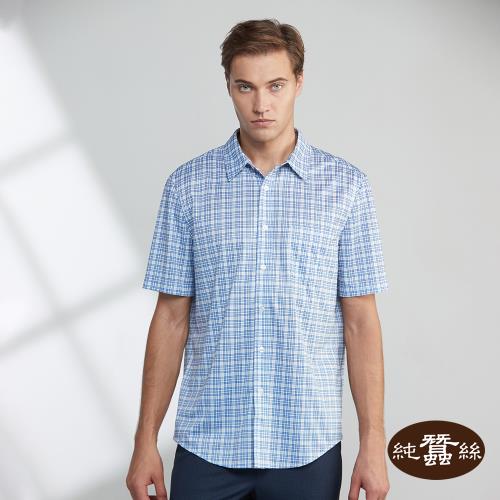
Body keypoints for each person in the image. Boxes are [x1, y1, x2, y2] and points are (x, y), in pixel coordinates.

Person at [126, 18, 390, 500]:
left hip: (306, 446)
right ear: (228, 86)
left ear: (299, 83)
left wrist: (373, 444)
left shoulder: (346, 188)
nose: (261, 104)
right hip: (208, 444)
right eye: (245, 86)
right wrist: (145, 440)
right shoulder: (187, 187)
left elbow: (360, 322)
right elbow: (170, 318)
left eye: (276, 85)